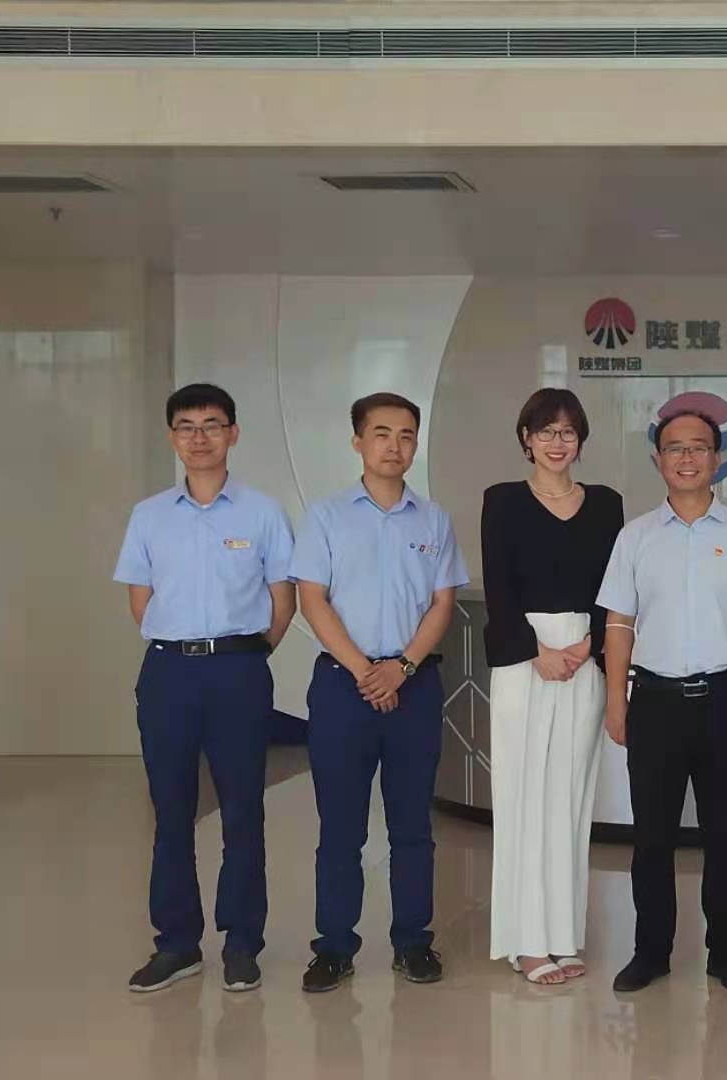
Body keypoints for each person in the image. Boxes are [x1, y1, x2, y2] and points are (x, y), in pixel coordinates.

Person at [112, 383, 296, 994]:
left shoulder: (262, 512)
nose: (199, 437)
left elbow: (283, 600)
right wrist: (182, 645)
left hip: (239, 671)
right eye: (186, 426)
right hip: (168, 672)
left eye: (212, 425)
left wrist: (246, 656)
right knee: (170, 810)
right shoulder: (148, 515)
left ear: (233, 434)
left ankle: (242, 943)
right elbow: (141, 601)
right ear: (172, 437)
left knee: (243, 809)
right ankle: (177, 943)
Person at [597, 409, 727, 994]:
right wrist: (616, 700)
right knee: (651, 836)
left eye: (698, 447)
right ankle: (650, 951)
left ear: (716, 459)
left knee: (725, 835)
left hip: (725, 699)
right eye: (674, 448)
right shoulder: (635, 536)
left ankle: (726, 953)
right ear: (658, 460)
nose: (686, 458)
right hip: (654, 701)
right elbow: (618, 624)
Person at [290, 392, 470, 993]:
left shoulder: (433, 520)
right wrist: (368, 670)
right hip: (343, 687)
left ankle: (413, 942)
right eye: (382, 433)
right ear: (358, 442)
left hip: (414, 687)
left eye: (406, 435)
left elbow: (442, 603)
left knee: (412, 823)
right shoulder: (325, 517)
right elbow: (312, 599)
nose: (395, 446)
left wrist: (402, 667)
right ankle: (334, 946)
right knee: (340, 827)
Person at [481, 388, 624, 986]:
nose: (557, 442)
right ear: (526, 438)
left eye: (567, 432)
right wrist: (535, 652)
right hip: (525, 661)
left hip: (583, 657)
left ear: (581, 440)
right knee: (523, 799)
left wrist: (590, 645)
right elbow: (499, 590)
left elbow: (613, 588)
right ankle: (526, 943)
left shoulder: (606, 504)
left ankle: (561, 936)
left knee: (569, 799)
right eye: (546, 431)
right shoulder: (503, 501)